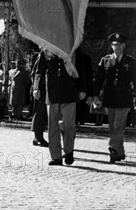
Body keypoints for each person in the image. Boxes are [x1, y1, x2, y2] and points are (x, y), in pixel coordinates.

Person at [33, 49, 86, 166]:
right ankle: (56, 157)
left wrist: (82, 89)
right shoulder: (46, 50)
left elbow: (81, 69)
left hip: (69, 92)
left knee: (69, 125)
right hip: (52, 93)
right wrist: (36, 87)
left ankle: (68, 151)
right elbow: (39, 71)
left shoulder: (73, 49)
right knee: (53, 126)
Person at [93, 32, 136, 163]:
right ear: (111, 46)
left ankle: (112, 148)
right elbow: (99, 79)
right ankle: (120, 152)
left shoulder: (131, 61)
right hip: (110, 97)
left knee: (119, 125)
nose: (116, 47)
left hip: (124, 97)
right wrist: (95, 96)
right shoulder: (105, 60)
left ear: (124, 46)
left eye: (119, 45)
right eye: (114, 45)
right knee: (113, 126)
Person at [30, 53, 48, 147]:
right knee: (40, 112)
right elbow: (37, 72)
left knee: (43, 114)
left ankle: (38, 137)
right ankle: (38, 137)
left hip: (50, 88)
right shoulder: (44, 53)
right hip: (42, 88)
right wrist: (36, 88)